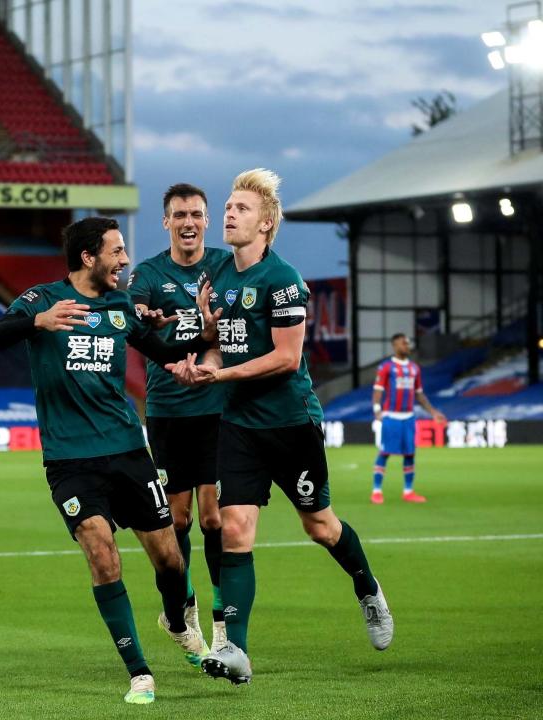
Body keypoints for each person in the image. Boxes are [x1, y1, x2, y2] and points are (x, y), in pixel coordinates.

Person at [167, 169, 394, 685]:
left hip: (291, 423)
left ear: (266, 224)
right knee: (235, 530)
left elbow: (286, 359)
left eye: (240, 209)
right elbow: (222, 339)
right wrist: (199, 357)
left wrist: (219, 372)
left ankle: (367, 587)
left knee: (320, 527)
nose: (228, 214)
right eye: (227, 206)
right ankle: (237, 651)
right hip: (239, 423)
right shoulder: (219, 276)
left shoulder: (284, 280)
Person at [0, 216, 221, 705]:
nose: (126, 260)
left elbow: (160, 350)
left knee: (170, 561)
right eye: (116, 251)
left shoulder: (118, 306)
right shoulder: (42, 300)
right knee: (101, 552)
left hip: (129, 450)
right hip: (70, 461)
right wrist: (38, 323)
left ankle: (176, 620)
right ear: (88, 257)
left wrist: (202, 336)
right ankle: (139, 671)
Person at [127, 182, 226, 652]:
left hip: (216, 407)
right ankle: (183, 613)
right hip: (167, 411)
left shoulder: (225, 265)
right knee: (180, 520)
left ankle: (223, 620)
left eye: (196, 214)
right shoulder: (148, 272)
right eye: (179, 215)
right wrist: (146, 314)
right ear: (165, 221)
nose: (188, 222)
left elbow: (259, 282)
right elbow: (135, 307)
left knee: (215, 518)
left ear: (207, 220)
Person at [371, 333, 446, 504]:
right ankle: (376, 491)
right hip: (391, 416)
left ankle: (408, 491)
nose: (407, 346)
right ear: (395, 346)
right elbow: (378, 390)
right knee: (385, 452)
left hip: (409, 417)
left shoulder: (414, 368)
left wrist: (434, 412)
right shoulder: (386, 367)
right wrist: (377, 410)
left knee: (410, 454)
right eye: (403, 343)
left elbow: (419, 394)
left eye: (408, 343)